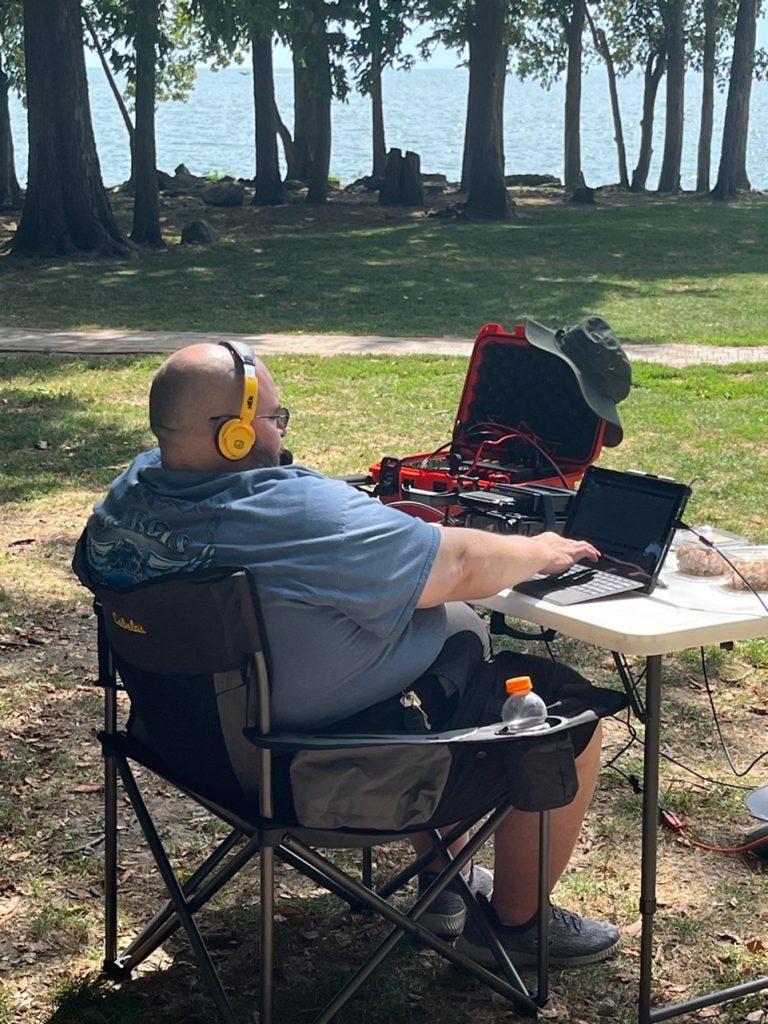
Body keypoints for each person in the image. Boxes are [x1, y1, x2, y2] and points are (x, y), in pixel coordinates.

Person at [81, 340, 627, 969]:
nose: (282, 431)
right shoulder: (290, 511)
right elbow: (458, 562)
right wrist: (543, 550)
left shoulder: (128, 493)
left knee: (458, 630)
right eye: (274, 418)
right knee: (562, 713)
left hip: (184, 748)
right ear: (232, 435)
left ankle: (445, 886)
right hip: (302, 776)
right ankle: (514, 926)